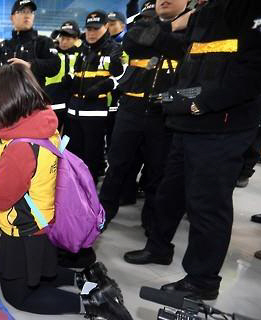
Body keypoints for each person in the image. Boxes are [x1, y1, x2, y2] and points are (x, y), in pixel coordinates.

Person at [0, 63, 135, 320]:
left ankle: (94, 302)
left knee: (19, 295)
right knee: (43, 272)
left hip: (24, 228)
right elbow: (28, 166)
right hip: (42, 220)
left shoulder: (19, 148)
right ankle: (89, 278)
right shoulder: (41, 125)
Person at [123, 0, 261, 300]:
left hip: (224, 125)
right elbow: (186, 61)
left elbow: (255, 74)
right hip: (187, 122)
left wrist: (197, 102)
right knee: (169, 193)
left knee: (207, 205)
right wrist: (167, 25)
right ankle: (158, 247)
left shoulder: (254, 9)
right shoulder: (204, 13)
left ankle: (202, 280)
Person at [99, 0, 188, 234]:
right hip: (131, 108)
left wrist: (156, 37)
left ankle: (152, 224)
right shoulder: (143, 22)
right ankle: (102, 213)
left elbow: (181, 49)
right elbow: (133, 40)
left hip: (165, 114)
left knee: (157, 172)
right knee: (116, 166)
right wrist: (171, 29)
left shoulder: (194, 29)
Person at [64, 10, 124, 184]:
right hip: (74, 111)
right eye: (89, 28)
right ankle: (74, 185)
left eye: (96, 29)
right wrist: (70, 80)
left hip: (95, 112)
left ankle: (89, 188)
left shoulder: (114, 50)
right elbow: (74, 72)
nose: (91, 33)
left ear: (106, 27)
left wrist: (100, 88)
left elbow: (120, 77)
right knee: (73, 152)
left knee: (93, 155)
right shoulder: (83, 50)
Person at [0, 0, 60, 88]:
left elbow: (55, 66)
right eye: (22, 11)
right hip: (7, 99)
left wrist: (30, 65)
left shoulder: (43, 42)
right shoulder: (4, 46)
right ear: (12, 18)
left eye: (30, 12)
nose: (27, 15)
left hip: (33, 99)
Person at [44, 21, 80, 134]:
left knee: (68, 138)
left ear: (76, 39)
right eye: (62, 38)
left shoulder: (81, 55)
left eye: (68, 39)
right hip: (53, 104)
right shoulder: (51, 54)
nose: (63, 42)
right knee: (51, 137)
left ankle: (64, 152)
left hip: (73, 105)